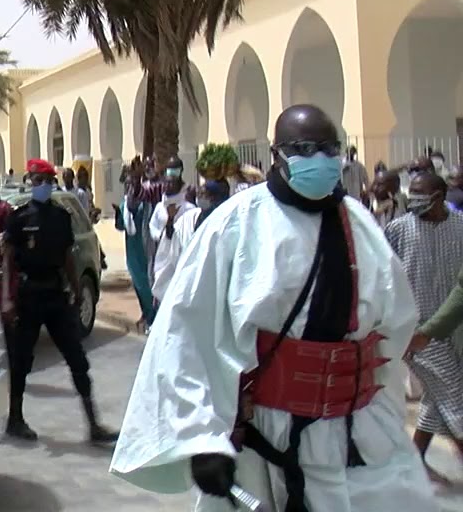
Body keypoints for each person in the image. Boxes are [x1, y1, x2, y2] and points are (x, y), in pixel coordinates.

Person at [110, 104, 434, 512]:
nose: (321, 158)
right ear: (277, 155)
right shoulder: (236, 223)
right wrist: (203, 438)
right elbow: (186, 336)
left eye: (329, 148)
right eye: (305, 149)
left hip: (361, 436)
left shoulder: (359, 222)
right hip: (270, 436)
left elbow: (394, 325)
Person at [2, 159, 118, 444]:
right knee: (21, 362)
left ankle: (94, 425)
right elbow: (8, 260)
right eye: (36, 180)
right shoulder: (19, 218)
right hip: (29, 296)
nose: (40, 185)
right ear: (29, 182)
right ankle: (15, 419)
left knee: (77, 358)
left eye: (45, 180)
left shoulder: (60, 217)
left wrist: (77, 290)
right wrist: (6, 297)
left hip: (55, 294)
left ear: (52, 182)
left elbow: (67, 256)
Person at [385, 172, 463, 484]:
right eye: (412, 193)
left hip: (453, 329)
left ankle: (415, 460)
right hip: (416, 334)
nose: (413, 200)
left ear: (440, 196)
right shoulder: (397, 230)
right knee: (455, 394)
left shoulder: (460, 227)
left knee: (436, 395)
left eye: (421, 194)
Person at [114, 157, 156, 329]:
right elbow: (121, 226)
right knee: (138, 283)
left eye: (131, 183)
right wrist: (118, 214)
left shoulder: (147, 200)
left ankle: (153, 316)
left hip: (146, 248)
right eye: (127, 184)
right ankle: (146, 313)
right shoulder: (125, 204)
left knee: (148, 283)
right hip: (132, 250)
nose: (129, 187)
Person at [147, 165, 196, 309]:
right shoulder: (159, 207)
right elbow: (153, 227)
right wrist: (161, 233)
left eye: (171, 183)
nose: (167, 186)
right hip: (163, 254)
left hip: (181, 254)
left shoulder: (189, 208)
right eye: (166, 183)